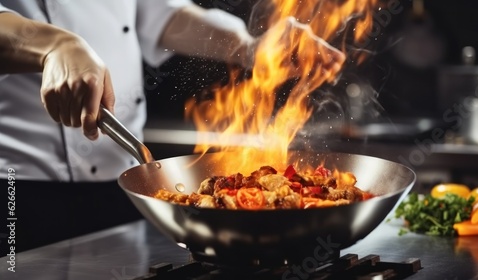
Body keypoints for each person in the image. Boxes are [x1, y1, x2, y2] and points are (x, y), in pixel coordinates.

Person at [0, 1, 345, 252]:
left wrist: (251, 48)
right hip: (19, 185)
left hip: (125, 181)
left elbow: (162, 14)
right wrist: (56, 45)